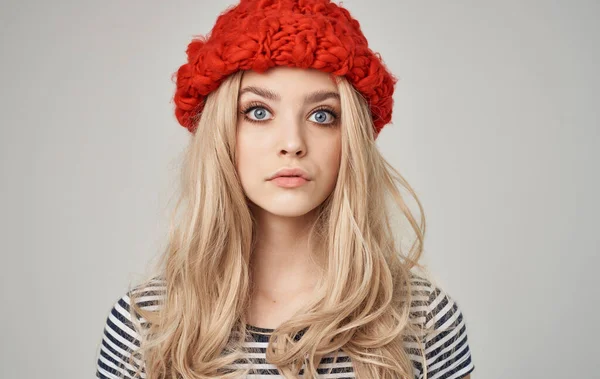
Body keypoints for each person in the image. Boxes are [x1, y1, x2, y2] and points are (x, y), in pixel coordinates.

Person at [95, 0, 475, 378]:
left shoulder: (422, 322)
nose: (292, 143)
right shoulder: (147, 325)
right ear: (221, 132)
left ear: (352, 139)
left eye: (322, 115)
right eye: (258, 112)